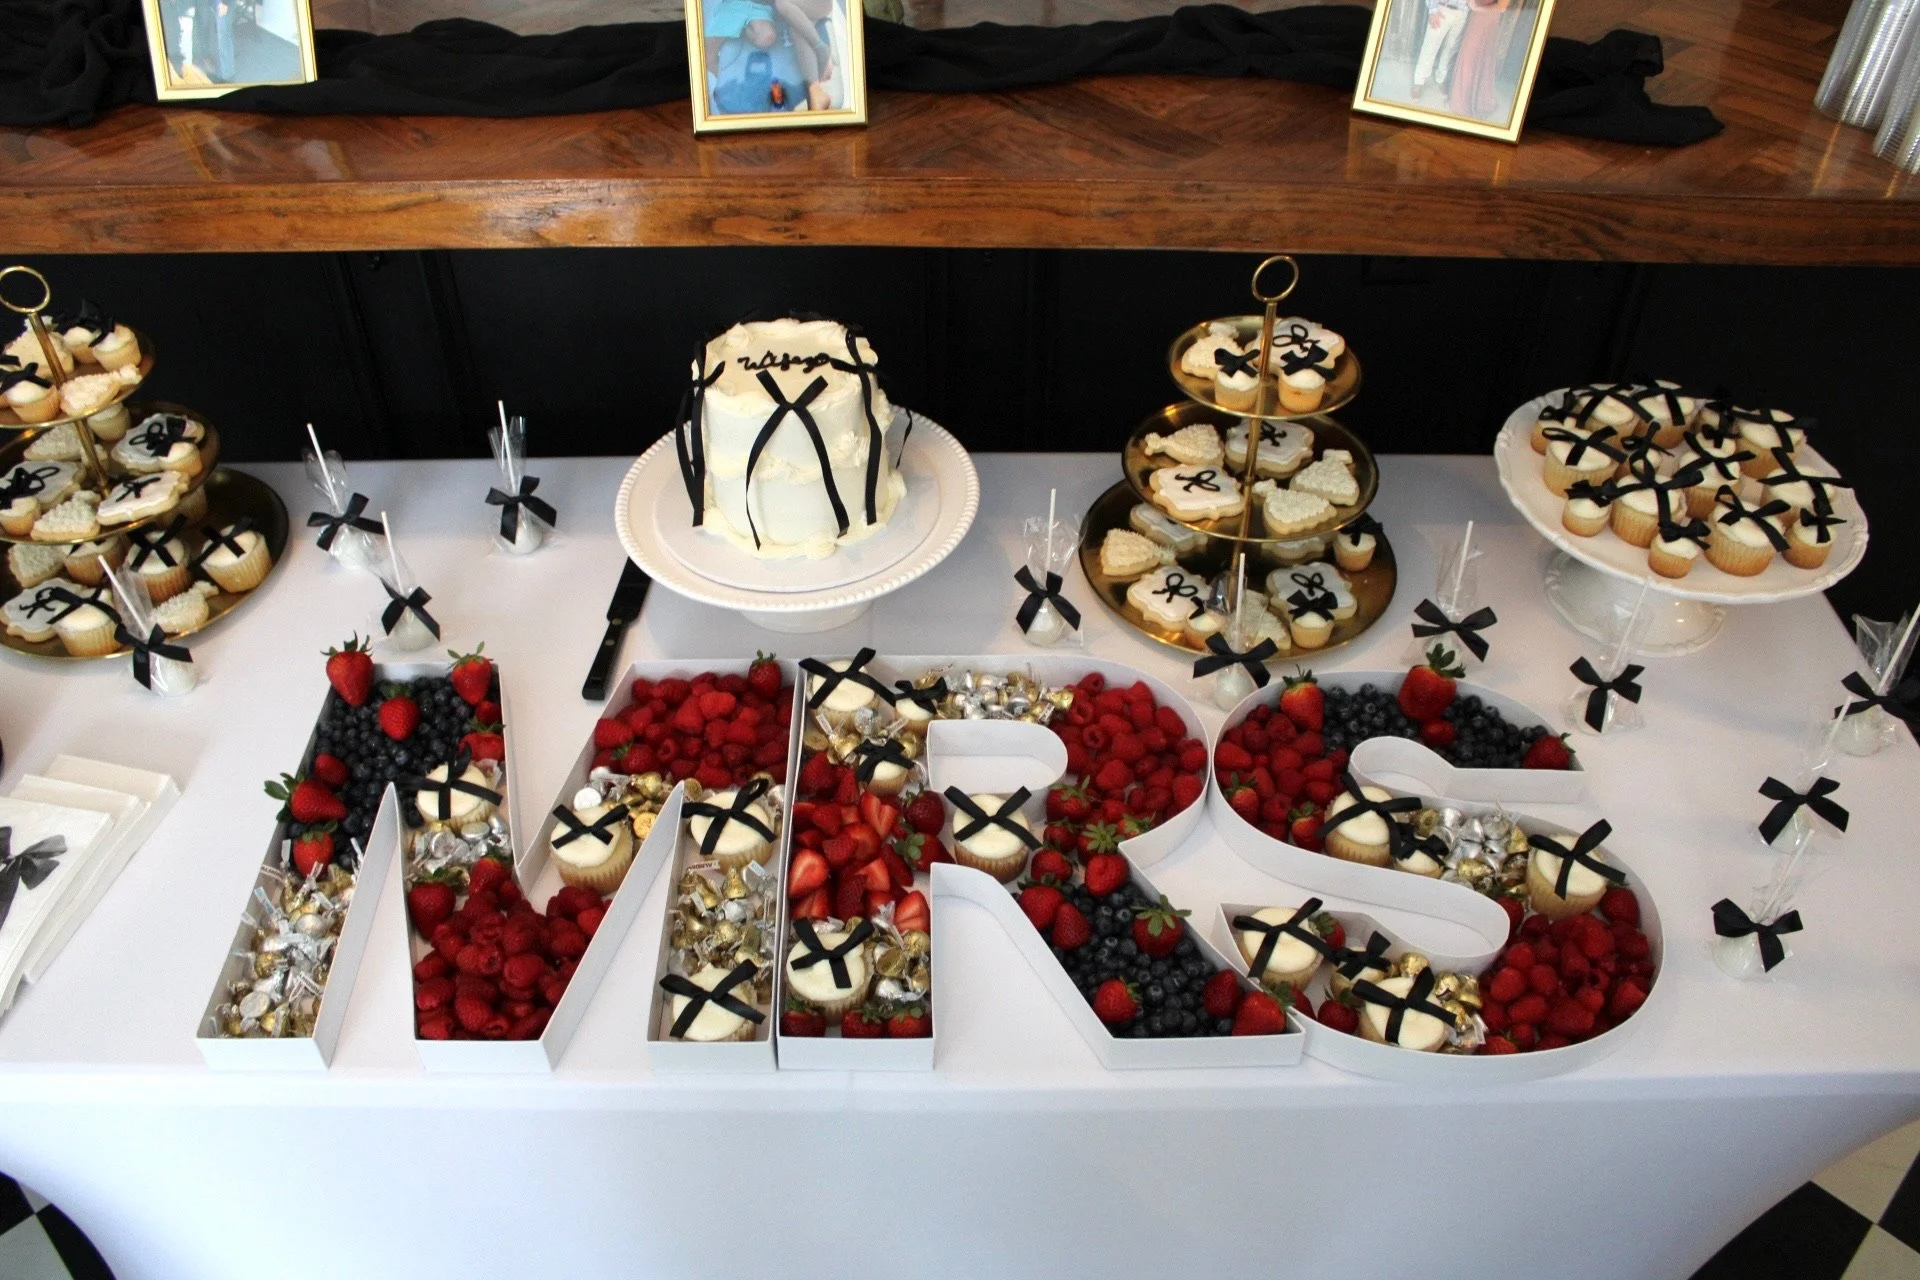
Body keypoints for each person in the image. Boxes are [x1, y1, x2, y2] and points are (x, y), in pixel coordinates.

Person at [1447, 0, 1511, 120]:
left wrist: (1477, 8)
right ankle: (1459, 99)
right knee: (1466, 57)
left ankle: (1472, 101)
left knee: (1479, 59)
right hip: (1475, 18)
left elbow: (1502, 7)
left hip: (1488, 21)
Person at [1410, 0, 1470, 102]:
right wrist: (1433, 11)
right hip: (1443, 9)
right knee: (1430, 47)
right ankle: (1418, 82)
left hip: (1462, 13)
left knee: (1450, 49)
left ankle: (1441, 78)